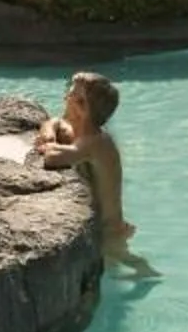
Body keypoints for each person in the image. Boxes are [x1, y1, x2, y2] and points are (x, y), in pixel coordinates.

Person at [35, 71, 152, 275]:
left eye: (71, 96)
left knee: (120, 263)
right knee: (109, 272)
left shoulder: (97, 143)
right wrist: (49, 131)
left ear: (83, 108)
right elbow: (53, 122)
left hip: (108, 232)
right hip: (101, 226)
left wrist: (49, 146)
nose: (65, 98)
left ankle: (147, 273)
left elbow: (54, 158)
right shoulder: (80, 132)